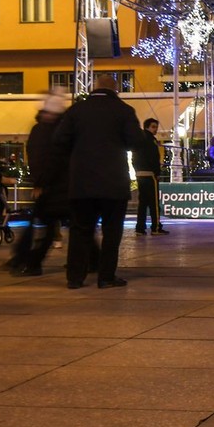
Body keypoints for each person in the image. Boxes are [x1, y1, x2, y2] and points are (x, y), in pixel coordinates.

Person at [54, 84, 146, 288]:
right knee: (112, 231)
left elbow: (59, 139)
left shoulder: (76, 110)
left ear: (93, 89)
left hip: (81, 182)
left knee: (80, 230)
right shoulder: (123, 110)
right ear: (115, 90)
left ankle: (75, 278)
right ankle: (106, 277)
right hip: (113, 183)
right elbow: (136, 141)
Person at [8, 94, 69, 276]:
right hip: (58, 187)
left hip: (50, 187)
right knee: (56, 227)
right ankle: (25, 259)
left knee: (44, 227)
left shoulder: (42, 130)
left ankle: (27, 260)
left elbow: (40, 159)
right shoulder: (59, 129)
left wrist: (39, 183)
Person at [133, 118, 164, 234]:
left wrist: (137, 170)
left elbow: (134, 158)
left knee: (142, 203)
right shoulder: (151, 140)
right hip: (150, 174)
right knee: (154, 203)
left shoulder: (138, 139)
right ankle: (156, 227)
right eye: (153, 127)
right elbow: (154, 158)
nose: (156, 129)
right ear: (147, 127)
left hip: (140, 174)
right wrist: (157, 172)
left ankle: (140, 228)